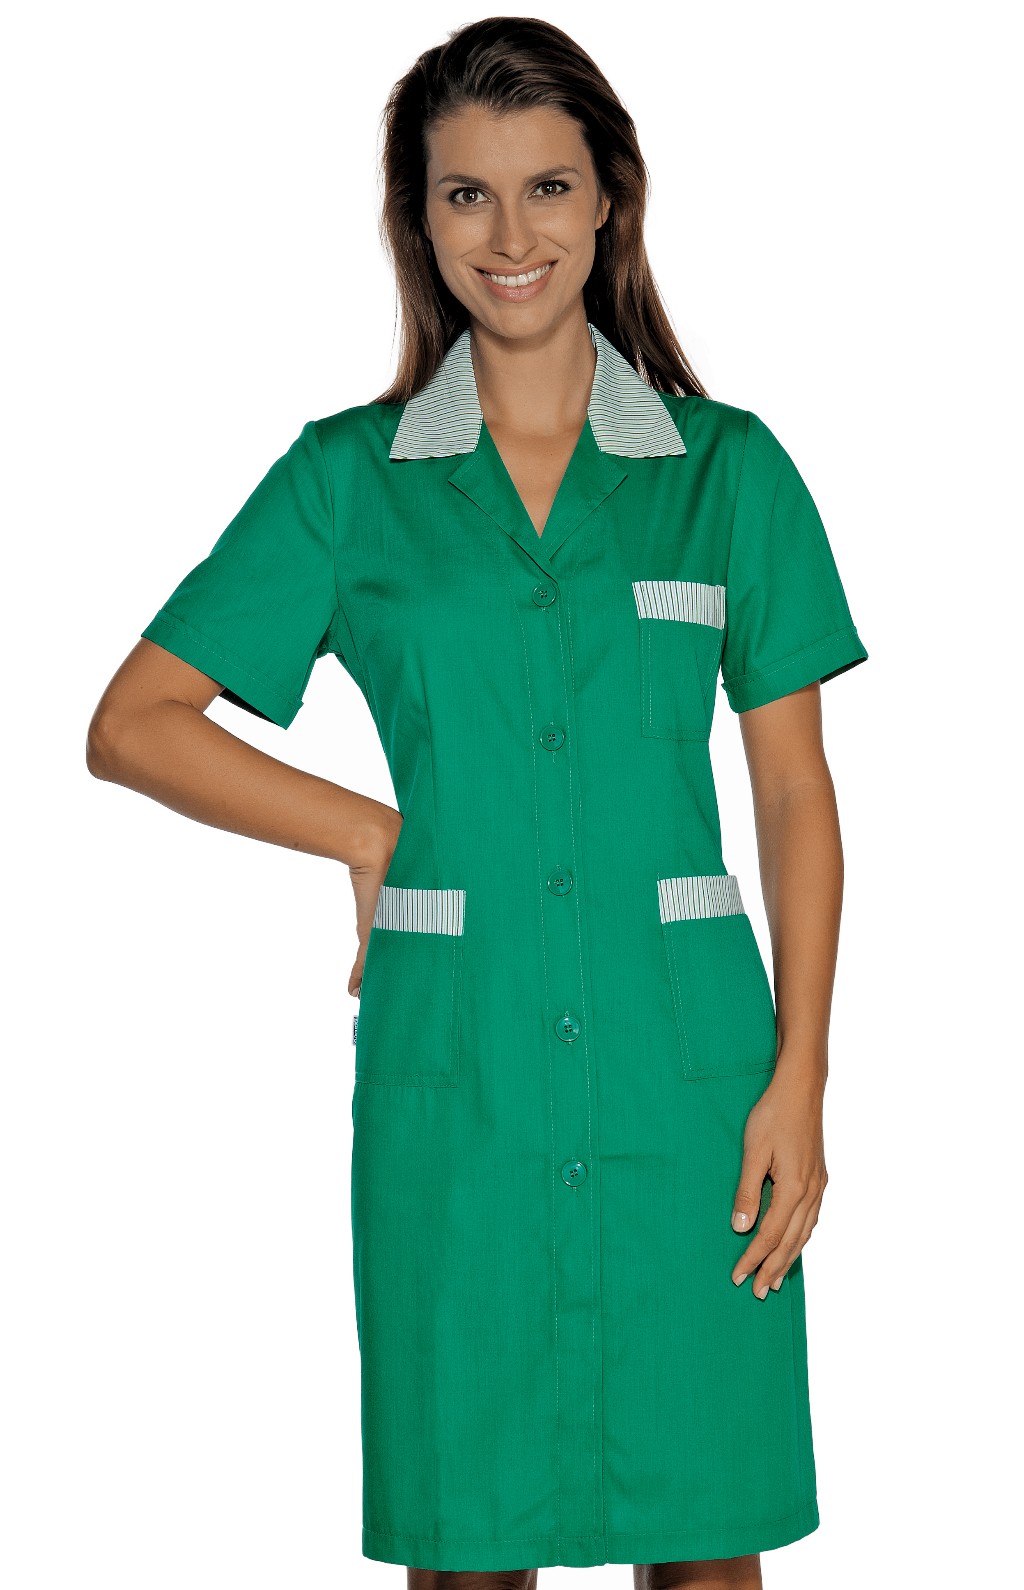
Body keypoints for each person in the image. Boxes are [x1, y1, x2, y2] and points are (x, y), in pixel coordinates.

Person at [86, 16, 868, 1590]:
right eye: (466, 193)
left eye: (548, 186)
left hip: (689, 1086)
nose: (511, 234)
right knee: (467, 1546)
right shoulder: (346, 479)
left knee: (707, 1545)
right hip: (462, 1085)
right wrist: (364, 830)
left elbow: (793, 785)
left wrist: (802, 1074)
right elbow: (135, 723)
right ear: (421, 218)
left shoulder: (727, 472)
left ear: (609, 199)